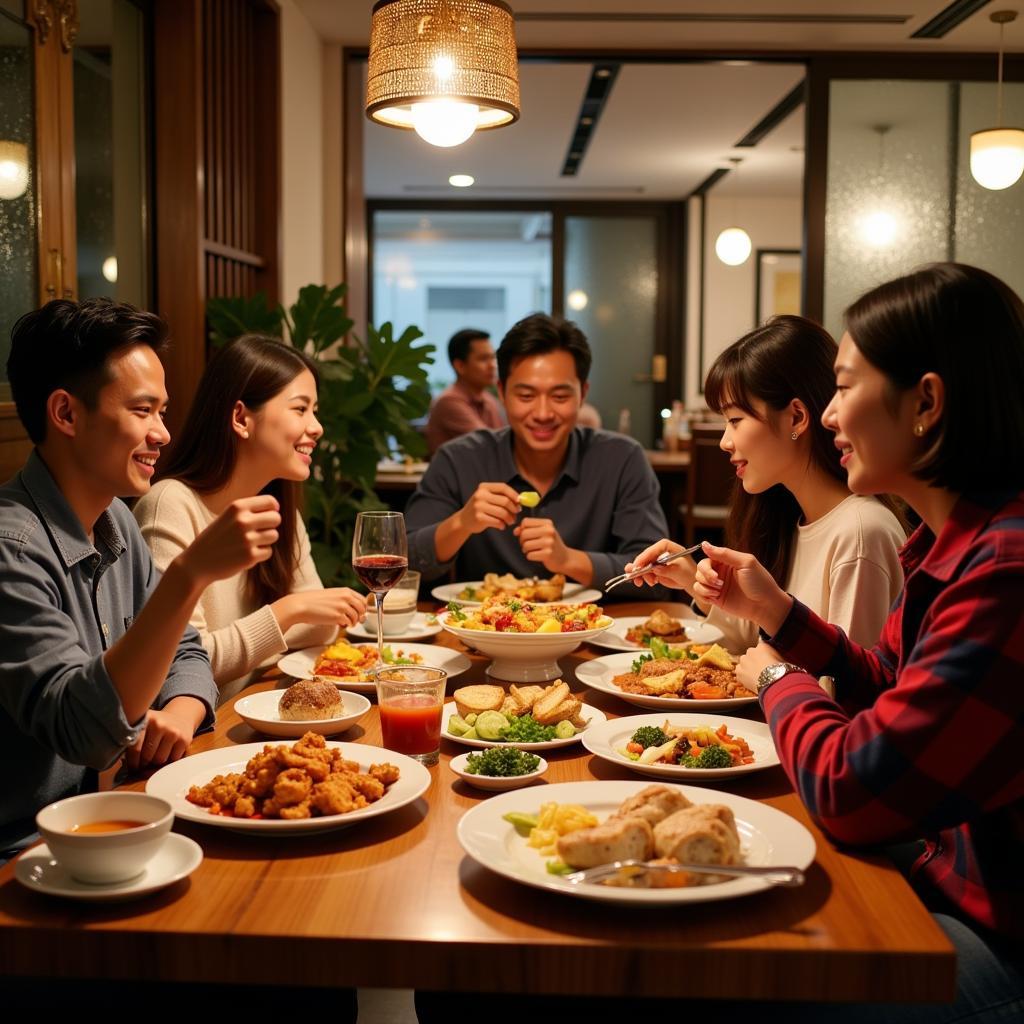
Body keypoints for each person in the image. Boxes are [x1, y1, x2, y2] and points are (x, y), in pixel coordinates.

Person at [652, 264, 1024, 1021]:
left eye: (845, 388)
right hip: (932, 866)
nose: (827, 417)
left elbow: (853, 790)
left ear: (925, 401)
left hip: (994, 928)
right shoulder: (947, 542)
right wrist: (786, 618)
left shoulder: (1004, 570)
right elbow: (889, 681)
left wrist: (776, 675)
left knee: (735, 972)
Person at [1, 299, 281, 855]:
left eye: (163, 411)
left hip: (108, 819)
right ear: (66, 414)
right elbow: (82, 731)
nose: (163, 434)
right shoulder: (12, 549)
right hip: (23, 853)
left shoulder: (117, 522)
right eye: (143, 411)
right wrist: (191, 573)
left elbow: (188, 652)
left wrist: (181, 710)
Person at [628, 315, 906, 649]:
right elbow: (755, 642)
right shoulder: (788, 516)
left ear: (797, 417)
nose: (724, 442)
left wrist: (765, 675)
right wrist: (691, 579)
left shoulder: (860, 533)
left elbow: (848, 687)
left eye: (735, 420)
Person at [134, 335, 366, 701]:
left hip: (265, 707)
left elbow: (322, 626)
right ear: (241, 418)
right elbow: (180, 664)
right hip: (205, 736)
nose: (317, 426)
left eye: (315, 410)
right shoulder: (171, 505)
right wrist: (288, 611)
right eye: (300, 409)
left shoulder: (275, 503)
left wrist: (284, 621)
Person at [405, 313, 669, 593]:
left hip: (594, 631)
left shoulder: (622, 459)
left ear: (583, 394)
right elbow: (404, 563)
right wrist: (462, 522)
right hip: (483, 631)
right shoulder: (459, 459)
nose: (543, 413)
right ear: (502, 392)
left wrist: (568, 560)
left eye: (560, 396)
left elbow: (658, 575)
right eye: (526, 396)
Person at [424, 327, 504, 453]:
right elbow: (491, 444)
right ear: (460, 366)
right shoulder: (449, 401)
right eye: (483, 359)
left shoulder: (488, 399)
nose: (492, 365)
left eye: (493, 357)